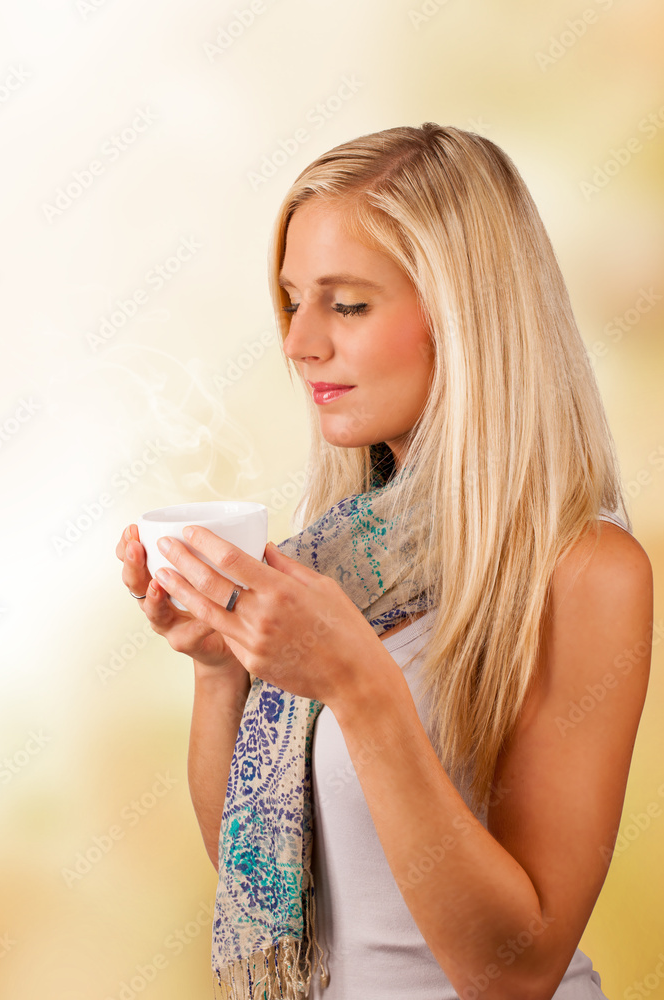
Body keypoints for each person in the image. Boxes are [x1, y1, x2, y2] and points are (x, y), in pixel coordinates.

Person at [115, 123, 654, 999]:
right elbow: (266, 886)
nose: (298, 343)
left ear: (465, 317)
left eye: (348, 304)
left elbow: (513, 974)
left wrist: (357, 685)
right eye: (293, 300)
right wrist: (219, 669)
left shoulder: (586, 569)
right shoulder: (340, 552)